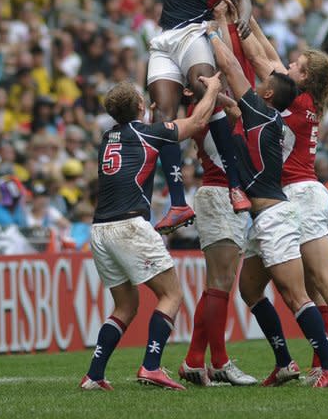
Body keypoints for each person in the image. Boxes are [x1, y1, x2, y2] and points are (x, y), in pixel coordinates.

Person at [230, 9, 328, 380]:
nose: (288, 64)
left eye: (295, 63)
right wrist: (249, 20)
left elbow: (261, 59)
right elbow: (268, 51)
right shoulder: (305, 100)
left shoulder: (292, 97)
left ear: (304, 76)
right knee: (301, 283)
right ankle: (311, 363)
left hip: (298, 194)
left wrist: (231, 26)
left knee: (321, 279)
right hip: (300, 194)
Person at [207, 24, 328, 389]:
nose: (256, 85)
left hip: (275, 217)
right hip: (264, 216)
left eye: (262, 84)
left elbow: (238, 68)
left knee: (296, 294)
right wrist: (213, 96)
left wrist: (212, 34)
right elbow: (235, 107)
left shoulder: (261, 113)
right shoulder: (263, 116)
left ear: (267, 93)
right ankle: (285, 361)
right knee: (250, 289)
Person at [80, 73, 222, 392]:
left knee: (125, 306)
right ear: (142, 105)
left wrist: (146, 115)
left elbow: (138, 131)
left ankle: (94, 374)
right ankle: (152, 366)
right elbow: (197, 121)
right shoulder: (149, 133)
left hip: (100, 229)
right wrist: (212, 88)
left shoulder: (108, 136)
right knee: (171, 295)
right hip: (129, 226)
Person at [146, 0, 254, 234]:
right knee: (162, 117)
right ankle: (177, 204)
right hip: (164, 40)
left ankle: (237, 185)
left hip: (193, 33)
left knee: (206, 90)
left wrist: (244, 11)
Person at [179, 5, 256, 387]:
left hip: (223, 196)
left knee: (218, 284)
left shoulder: (216, 108)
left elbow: (231, 82)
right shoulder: (204, 110)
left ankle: (196, 360)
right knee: (220, 283)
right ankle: (219, 360)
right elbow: (227, 87)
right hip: (218, 195)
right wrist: (217, 29)